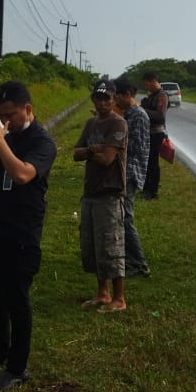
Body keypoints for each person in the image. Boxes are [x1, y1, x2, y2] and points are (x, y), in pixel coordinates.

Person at [0, 81, 57, 392]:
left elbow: (22, 175)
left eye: (11, 114)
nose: (6, 120)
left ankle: (17, 369)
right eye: (0, 115)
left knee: (16, 299)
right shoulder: (7, 139)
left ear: (28, 109)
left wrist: (0, 140)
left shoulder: (42, 142)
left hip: (23, 233)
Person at [73, 80, 129, 312]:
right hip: (91, 191)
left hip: (110, 193)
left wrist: (91, 151)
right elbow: (76, 154)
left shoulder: (119, 124)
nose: (103, 102)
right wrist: (92, 150)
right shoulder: (90, 123)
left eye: (107, 98)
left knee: (112, 245)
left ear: (114, 99)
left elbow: (107, 159)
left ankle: (119, 298)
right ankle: (102, 293)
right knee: (94, 246)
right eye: (99, 98)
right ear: (93, 99)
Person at [113, 78, 151, 277]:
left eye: (117, 95)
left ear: (127, 94)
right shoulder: (129, 114)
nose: (115, 100)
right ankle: (129, 260)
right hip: (124, 171)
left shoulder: (137, 115)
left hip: (130, 172)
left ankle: (139, 264)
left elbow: (135, 147)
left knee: (126, 219)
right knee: (121, 217)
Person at [140, 71, 169, 199]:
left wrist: (143, 110)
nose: (146, 87)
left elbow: (160, 116)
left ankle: (153, 191)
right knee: (146, 161)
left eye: (146, 84)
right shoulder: (152, 95)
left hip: (157, 133)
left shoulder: (162, 95)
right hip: (148, 132)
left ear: (152, 81)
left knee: (152, 162)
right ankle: (146, 187)